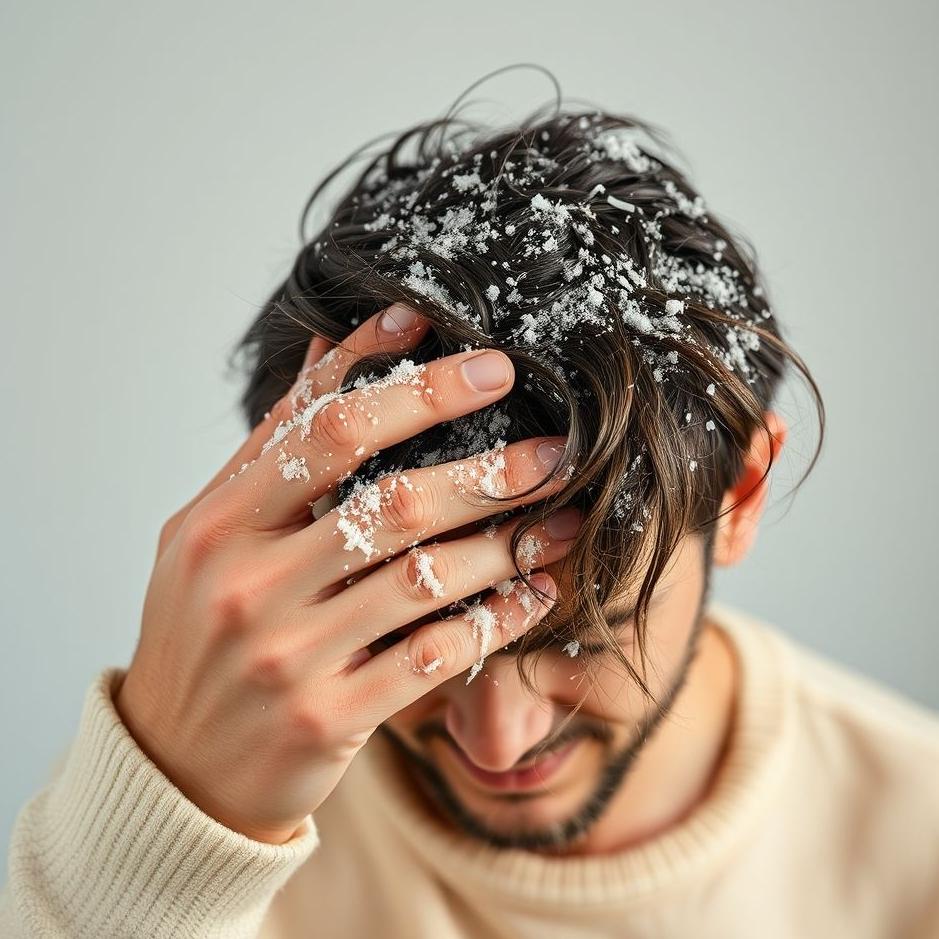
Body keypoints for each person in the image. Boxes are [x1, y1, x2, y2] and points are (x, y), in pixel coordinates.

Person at [2, 102, 938, 939]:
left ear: (735, 497)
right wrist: (160, 838)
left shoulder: (915, 847)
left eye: (579, 639)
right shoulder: (204, 812)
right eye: (409, 631)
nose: (495, 742)